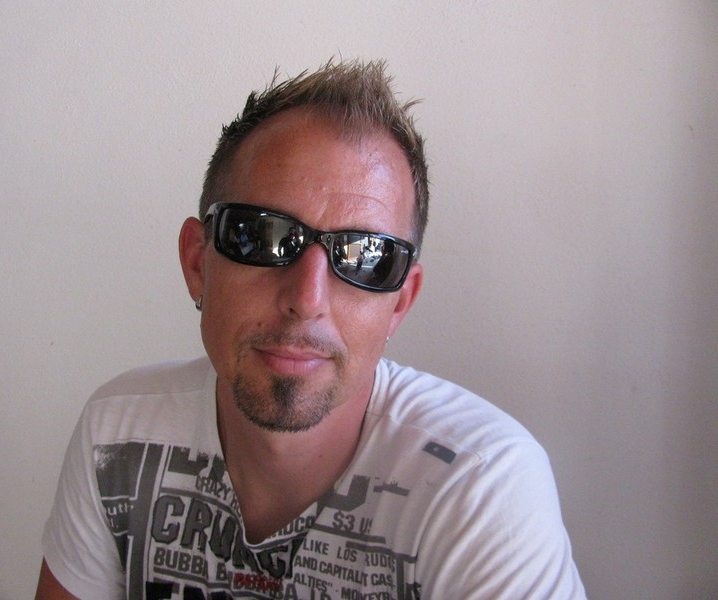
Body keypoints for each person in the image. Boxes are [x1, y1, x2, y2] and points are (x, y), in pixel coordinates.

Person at [35, 59, 586, 599]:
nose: (306, 300)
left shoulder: (483, 490)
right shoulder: (117, 439)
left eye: (366, 257)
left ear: (399, 303)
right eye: (263, 236)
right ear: (198, 263)